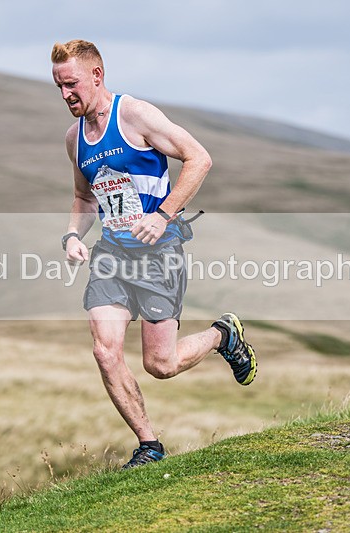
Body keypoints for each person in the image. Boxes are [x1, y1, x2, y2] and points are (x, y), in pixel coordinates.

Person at [51, 40, 257, 469]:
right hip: (111, 255)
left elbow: (199, 159)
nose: (66, 95)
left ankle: (223, 334)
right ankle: (149, 446)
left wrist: (163, 215)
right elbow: (83, 198)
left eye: (71, 84)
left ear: (96, 75)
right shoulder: (75, 138)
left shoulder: (135, 115)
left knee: (160, 365)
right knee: (105, 350)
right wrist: (72, 236)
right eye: (58, 87)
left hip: (158, 253)